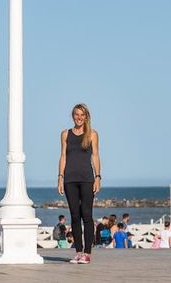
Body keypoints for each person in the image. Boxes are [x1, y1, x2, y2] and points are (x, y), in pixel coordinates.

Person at [58, 103, 102, 264]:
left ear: (86, 117)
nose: (79, 117)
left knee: (87, 215)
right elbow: (63, 156)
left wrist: (98, 177)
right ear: (73, 116)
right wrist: (60, 177)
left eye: (82, 115)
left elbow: (95, 156)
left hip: (87, 179)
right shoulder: (65, 134)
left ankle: (87, 253)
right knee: (75, 216)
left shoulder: (92, 134)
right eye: (77, 114)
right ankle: (78, 252)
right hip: (70, 180)